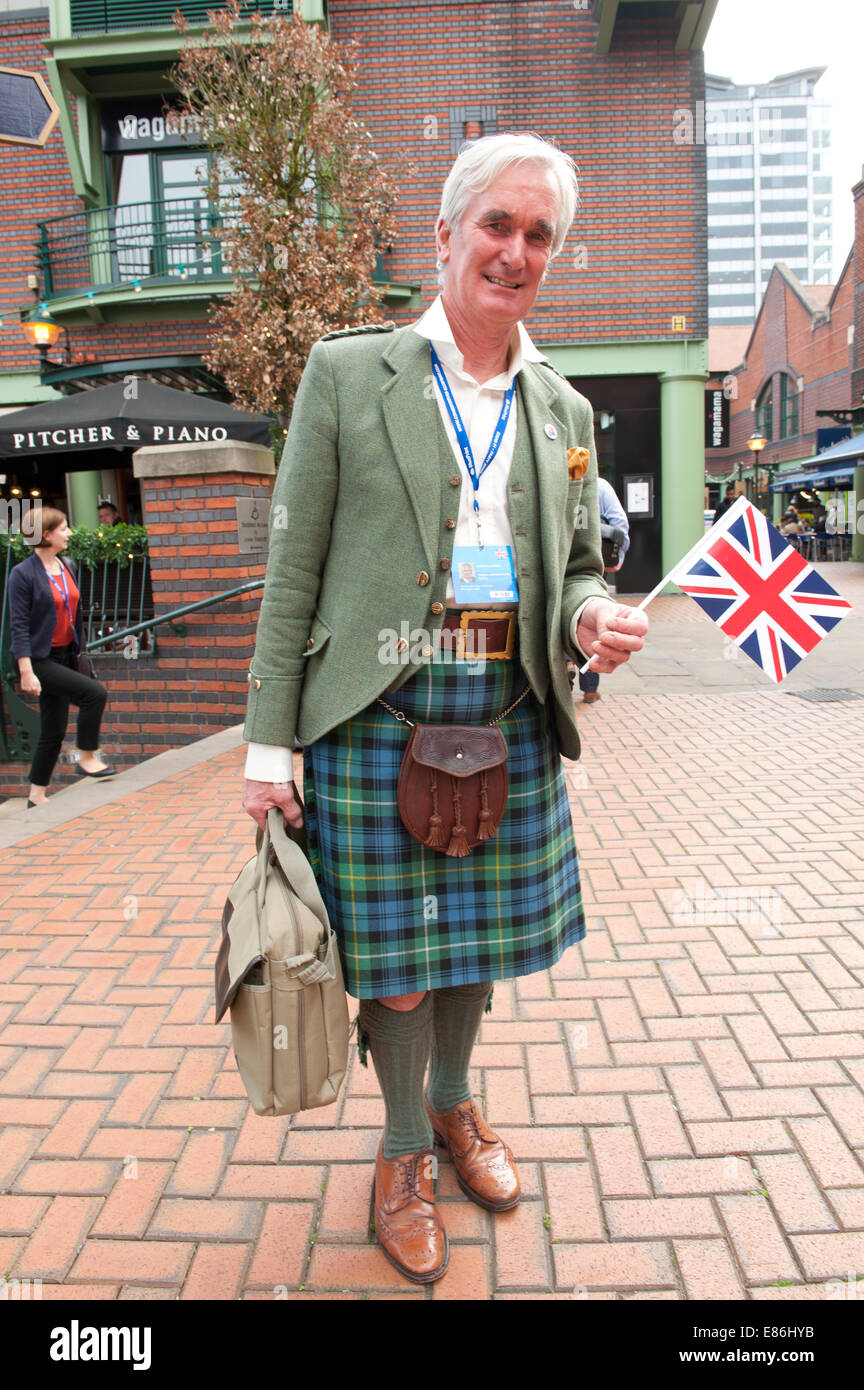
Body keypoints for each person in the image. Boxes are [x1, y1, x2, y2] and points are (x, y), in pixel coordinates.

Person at [241, 132, 648, 1285]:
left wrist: (585, 618)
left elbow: (573, 564)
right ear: (447, 236)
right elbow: (293, 570)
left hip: (505, 706)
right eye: (498, 226)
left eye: (539, 237)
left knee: (471, 947)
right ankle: (405, 1149)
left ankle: (459, 1102)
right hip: (379, 708)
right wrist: (269, 741)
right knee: (400, 959)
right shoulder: (344, 372)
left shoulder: (563, 410)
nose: (516, 252)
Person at [7, 507, 115, 806]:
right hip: (41, 659)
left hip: (66, 654)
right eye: (64, 528)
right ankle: (88, 756)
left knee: (52, 731)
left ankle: (36, 795)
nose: (69, 533)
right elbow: (19, 625)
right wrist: (26, 670)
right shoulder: (22, 574)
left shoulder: (66, 564)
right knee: (95, 694)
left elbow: (71, 609)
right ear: (46, 534)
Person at [575, 475, 630, 704]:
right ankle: (589, 688)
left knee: (559, 614)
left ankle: (565, 664)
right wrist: (618, 556)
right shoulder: (599, 485)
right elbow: (620, 525)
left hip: (555, 561)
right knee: (589, 614)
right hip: (591, 562)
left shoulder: (548, 475)